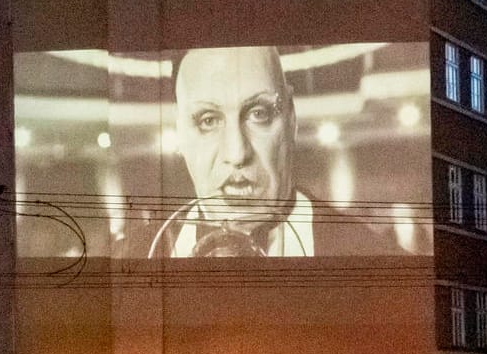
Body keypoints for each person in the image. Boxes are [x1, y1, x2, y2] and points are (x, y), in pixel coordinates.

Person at [146, 45, 404, 258]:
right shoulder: (131, 255)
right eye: (208, 120)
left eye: (259, 114)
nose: (237, 154)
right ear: (178, 131)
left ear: (291, 116)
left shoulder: (382, 260)